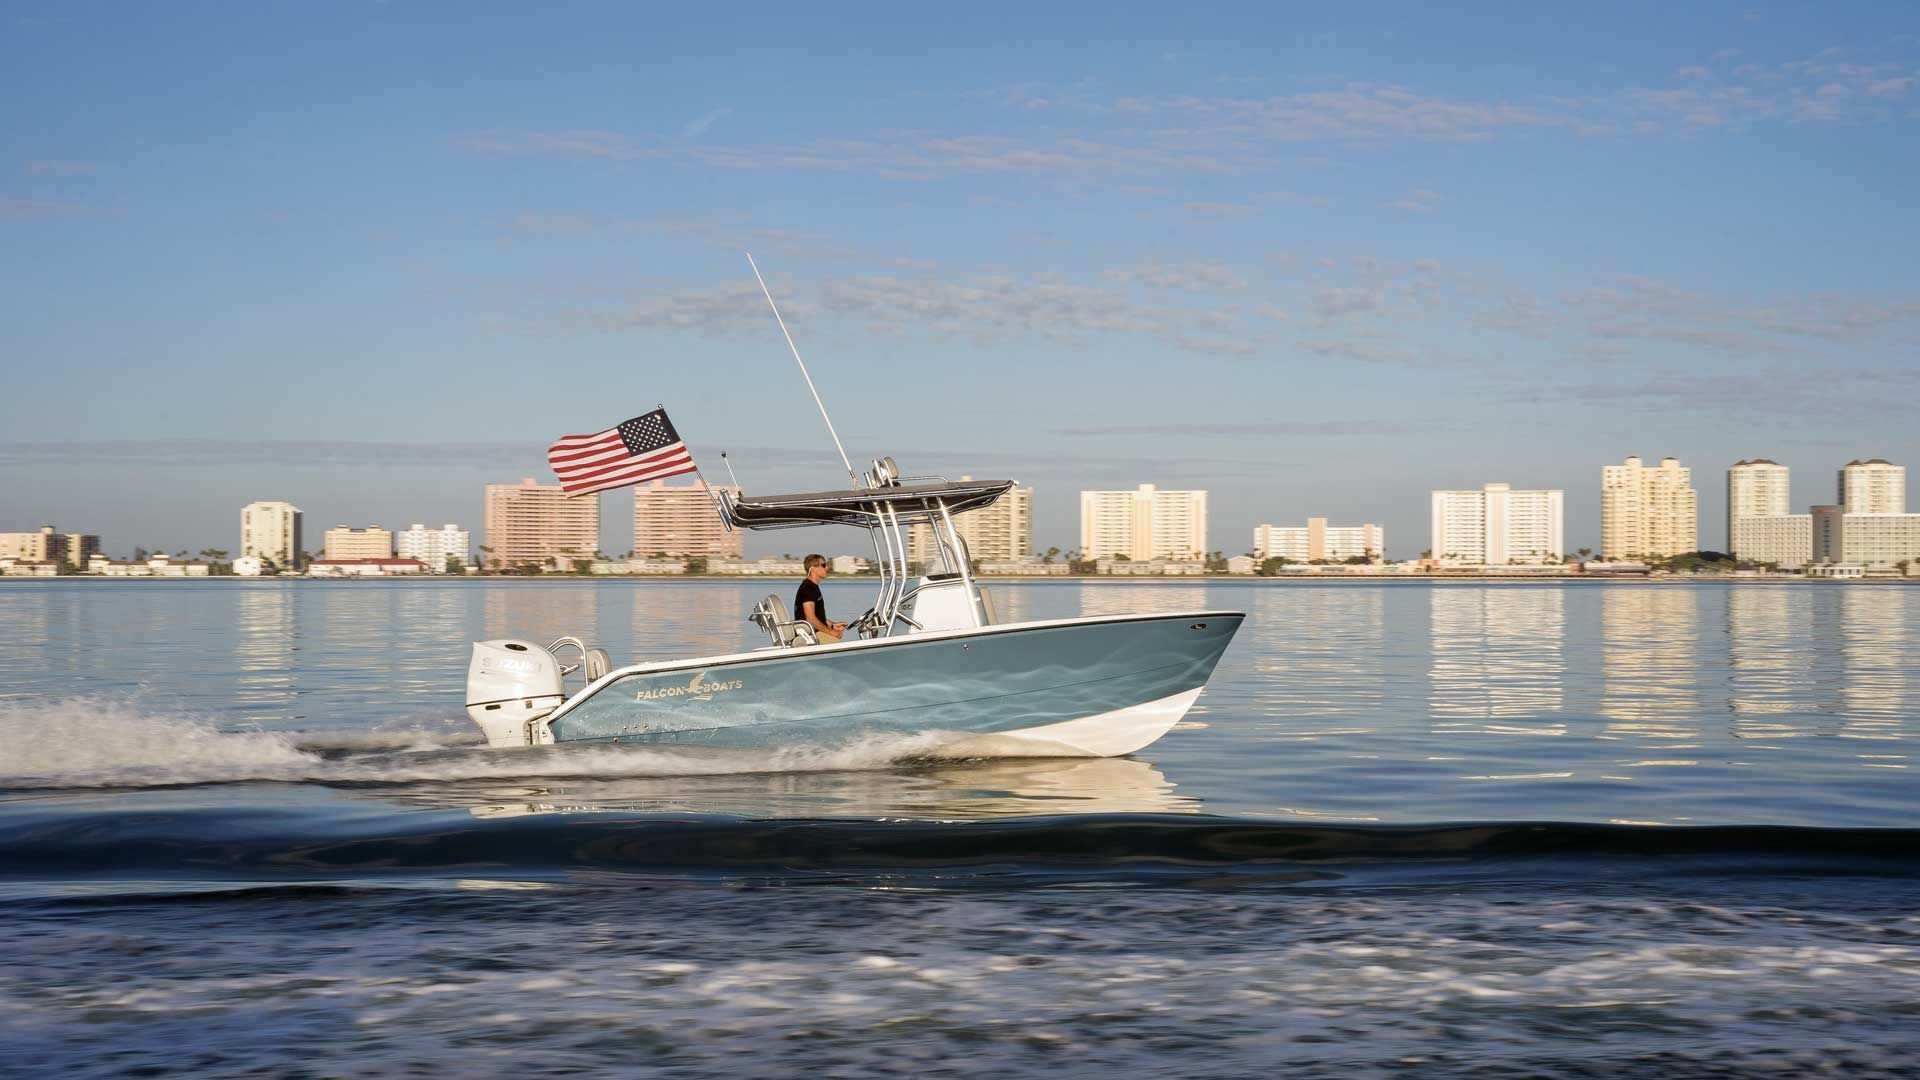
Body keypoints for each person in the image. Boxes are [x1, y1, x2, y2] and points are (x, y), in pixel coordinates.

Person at [794, 554, 847, 645]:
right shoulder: (807, 588)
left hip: (816, 632)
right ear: (813, 568)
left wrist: (832, 625)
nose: (827, 568)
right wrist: (831, 632)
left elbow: (817, 616)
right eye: (823, 565)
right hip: (811, 634)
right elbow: (810, 619)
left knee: (840, 637)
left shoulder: (813, 587)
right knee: (840, 642)